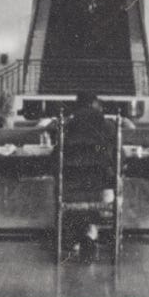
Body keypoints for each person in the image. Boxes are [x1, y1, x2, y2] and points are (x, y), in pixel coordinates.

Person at [59, 92, 118, 261]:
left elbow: (58, 155)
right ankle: (91, 233)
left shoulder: (67, 125)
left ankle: (77, 236)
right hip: (102, 189)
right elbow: (117, 156)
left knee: (72, 192)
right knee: (106, 189)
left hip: (70, 189)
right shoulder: (109, 126)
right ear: (95, 104)